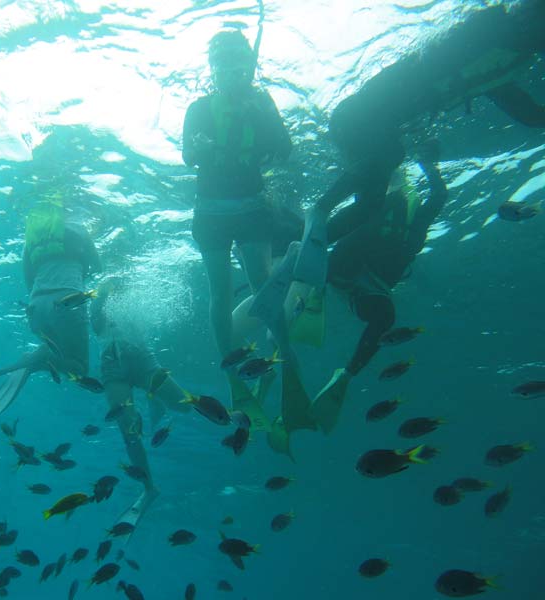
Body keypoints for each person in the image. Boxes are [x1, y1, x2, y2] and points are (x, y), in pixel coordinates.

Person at [285, 1, 545, 293]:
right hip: (357, 116)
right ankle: (319, 212)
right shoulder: (492, 32)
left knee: (371, 206)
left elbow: (529, 113)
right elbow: (437, 56)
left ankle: (298, 250)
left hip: (362, 120)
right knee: (390, 158)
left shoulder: (495, 62)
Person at [182, 28, 293, 418]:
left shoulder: (262, 102)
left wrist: (264, 121)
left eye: (238, 64)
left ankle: (284, 358)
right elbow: (187, 156)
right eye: (223, 65)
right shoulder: (199, 108)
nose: (231, 72)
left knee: (264, 285)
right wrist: (201, 147)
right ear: (213, 69)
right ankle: (233, 376)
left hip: (250, 211)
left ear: (249, 66)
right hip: (211, 213)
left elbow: (285, 151)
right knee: (220, 295)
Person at [310, 141, 448, 433]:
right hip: (344, 270)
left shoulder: (416, 218)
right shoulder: (373, 202)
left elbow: (438, 195)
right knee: (356, 234)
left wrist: (429, 166)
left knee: (386, 318)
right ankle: (311, 283)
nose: (397, 189)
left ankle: (347, 374)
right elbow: (361, 191)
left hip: (371, 287)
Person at [0, 194, 101, 414]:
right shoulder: (79, 230)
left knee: (59, 351)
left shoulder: (32, 240)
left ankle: (40, 356)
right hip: (67, 303)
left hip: (36, 307)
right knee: (79, 369)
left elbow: (28, 280)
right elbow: (98, 267)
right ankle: (35, 359)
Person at [89, 280, 190, 528]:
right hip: (113, 368)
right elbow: (95, 326)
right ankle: (149, 488)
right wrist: (101, 295)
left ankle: (154, 397)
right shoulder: (96, 301)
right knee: (129, 429)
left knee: (185, 405)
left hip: (144, 361)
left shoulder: (135, 293)